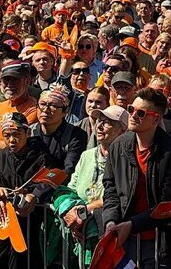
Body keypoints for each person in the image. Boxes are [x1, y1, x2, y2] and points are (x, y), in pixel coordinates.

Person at [101, 87, 171, 268]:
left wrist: (132, 225)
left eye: (140, 113)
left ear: (156, 119)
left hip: (159, 242)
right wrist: (111, 220)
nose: (133, 116)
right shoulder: (118, 145)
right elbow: (110, 187)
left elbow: (170, 203)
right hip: (124, 238)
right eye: (131, 110)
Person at [52, 105, 128, 267]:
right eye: (99, 120)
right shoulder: (87, 155)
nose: (99, 125)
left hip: (106, 233)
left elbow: (118, 197)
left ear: (123, 131)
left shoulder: (126, 160)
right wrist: (72, 213)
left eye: (108, 123)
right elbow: (71, 189)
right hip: (78, 233)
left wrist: (84, 211)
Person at [0, 111, 56, 269]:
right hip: (5, 219)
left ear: (28, 133)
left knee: (25, 260)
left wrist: (33, 195)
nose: (11, 140)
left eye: (16, 134)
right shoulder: (2, 155)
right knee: (0, 260)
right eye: (6, 135)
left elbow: (50, 180)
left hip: (31, 221)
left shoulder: (41, 156)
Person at [30, 84, 87, 170]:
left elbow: (70, 169)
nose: (46, 110)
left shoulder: (75, 135)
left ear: (65, 112)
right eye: (42, 104)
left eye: (53, 106)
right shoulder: (29, 132)